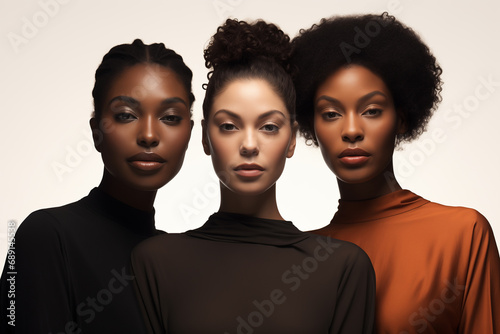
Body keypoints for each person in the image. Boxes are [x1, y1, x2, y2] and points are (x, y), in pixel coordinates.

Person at [131, 19, 375, 334]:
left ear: (291, 140)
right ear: (205, 138)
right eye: (229, 126)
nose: (248, 145)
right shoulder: (154, 262)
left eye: (268, 127)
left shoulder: (342, 268)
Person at [291, 12, 500, 333]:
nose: (351, 130)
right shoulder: (301, 257)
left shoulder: (462, 233)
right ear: (311, 125)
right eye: (331, 113)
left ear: (401, 119)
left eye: (371, 111)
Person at [0, 39, 195, 333]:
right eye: (126, 115)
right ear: (97, 132)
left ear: (190, 132)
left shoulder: (182, 260)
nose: (149, 135)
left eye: (170, 118)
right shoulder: (46, 236)